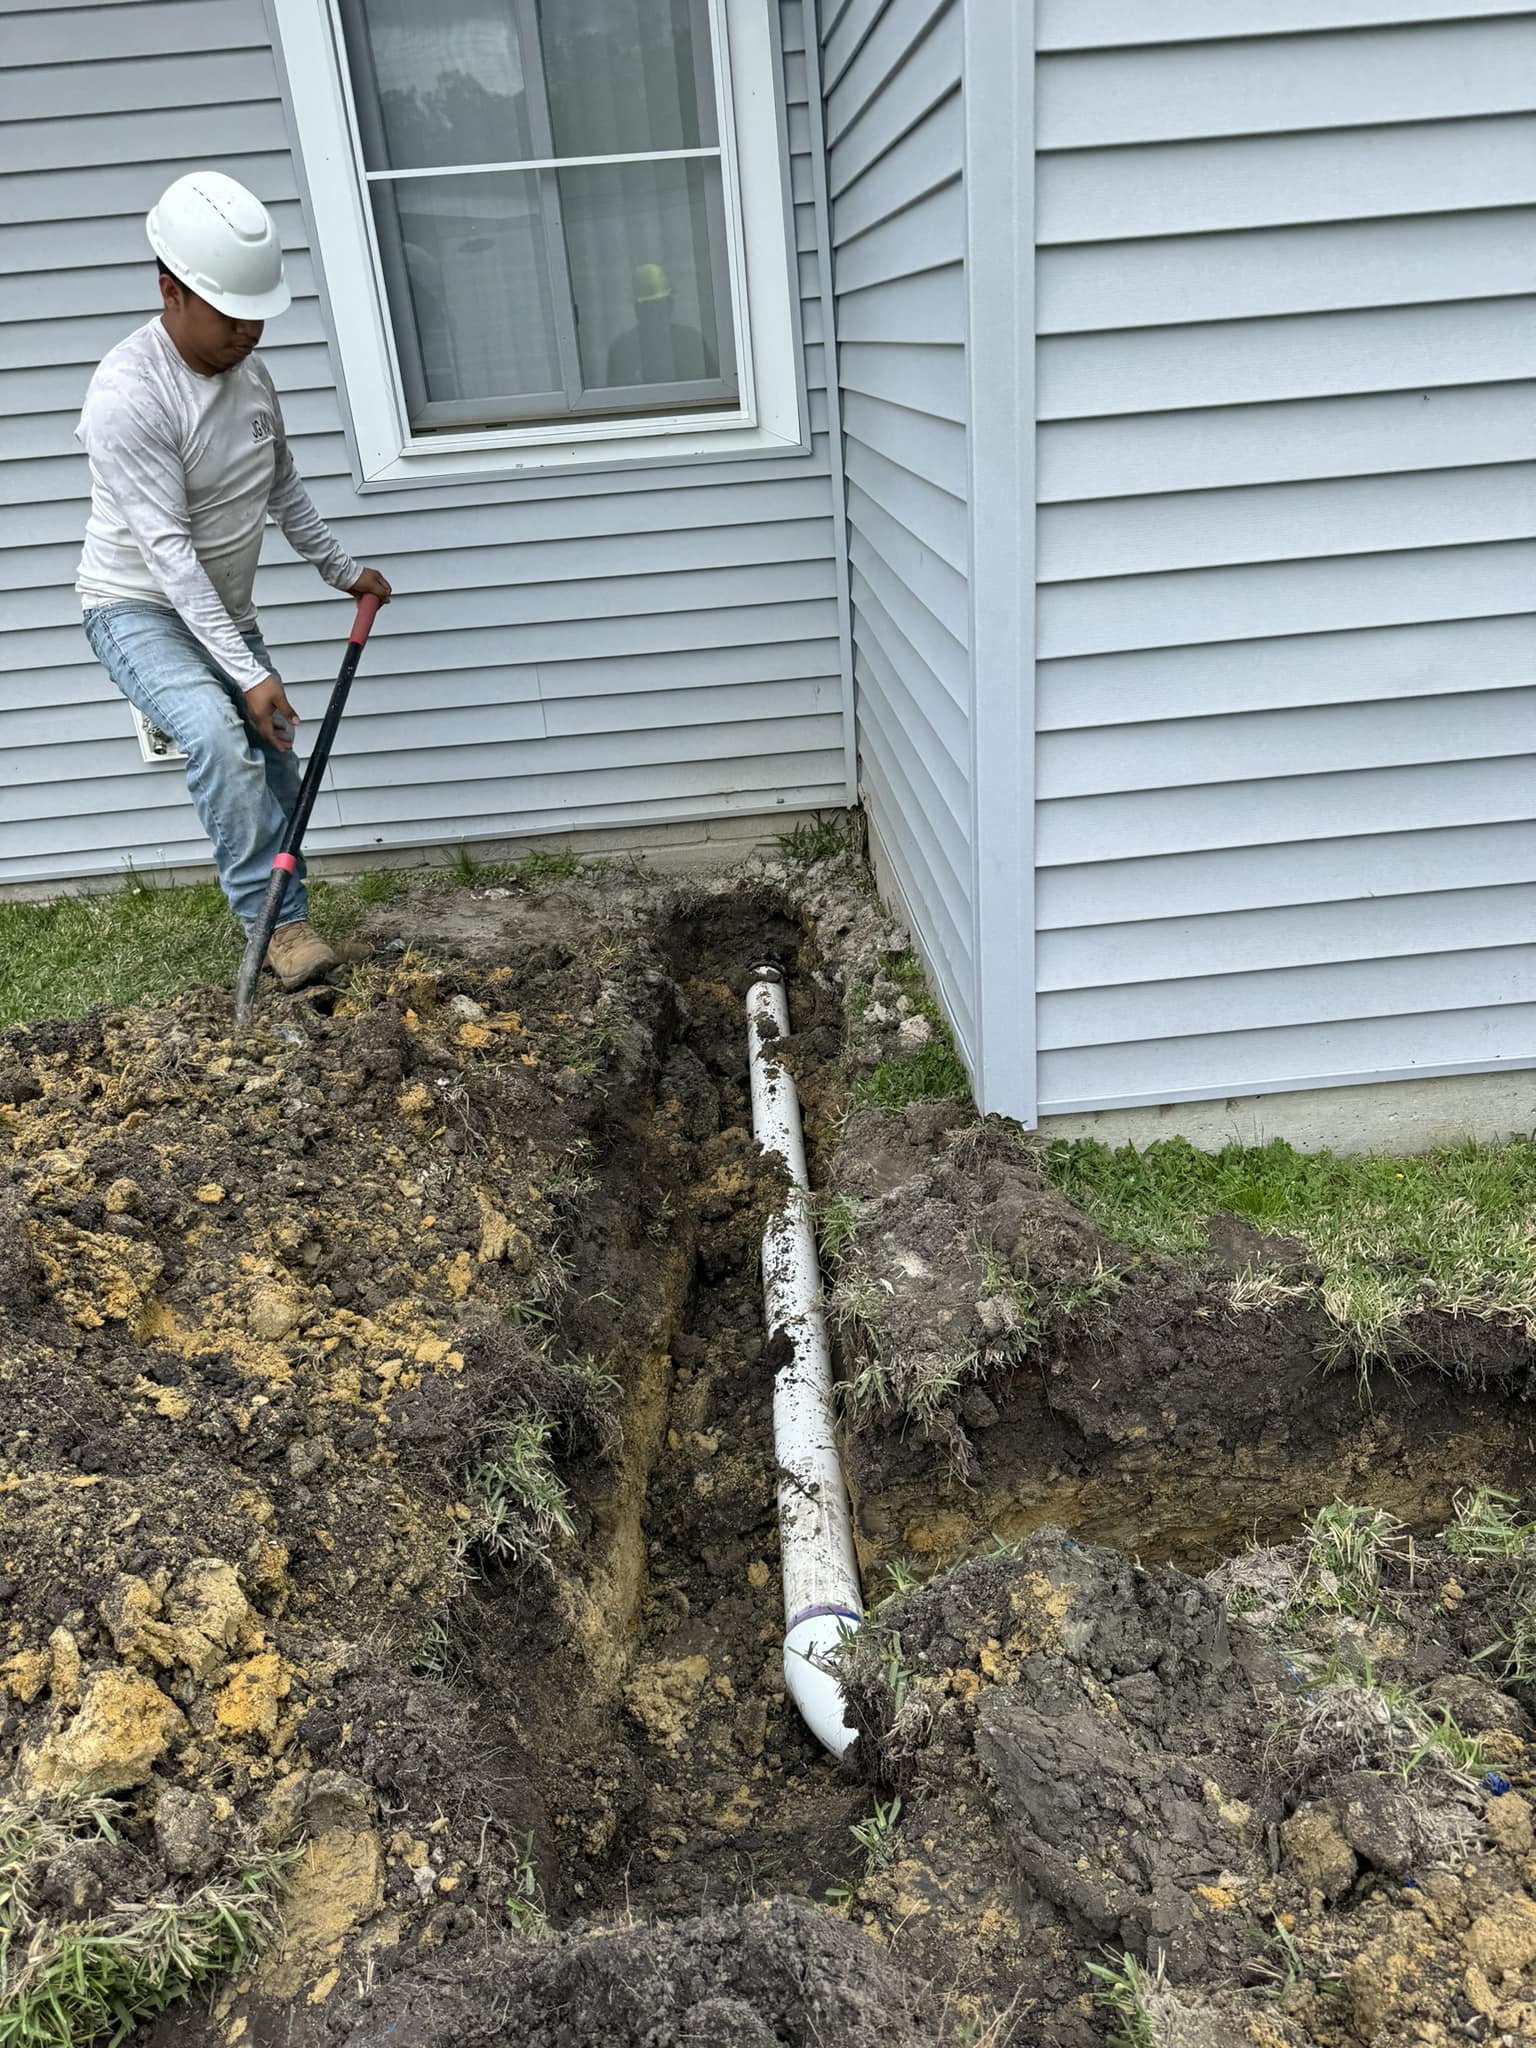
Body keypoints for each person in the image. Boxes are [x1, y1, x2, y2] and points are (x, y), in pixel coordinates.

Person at [75, 169, 393, 991]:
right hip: (136, 607)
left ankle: (289, 913)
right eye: (229, 313)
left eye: (258, 313)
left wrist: (341, 569)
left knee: (278, 754)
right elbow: (167, 551)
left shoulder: (250, 375)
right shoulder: (129, 394)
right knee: (219, 736)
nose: (249, 330)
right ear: (170, 292)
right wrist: (249, 670)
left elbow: (280, 484)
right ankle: (277, 931)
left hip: (220, 608)